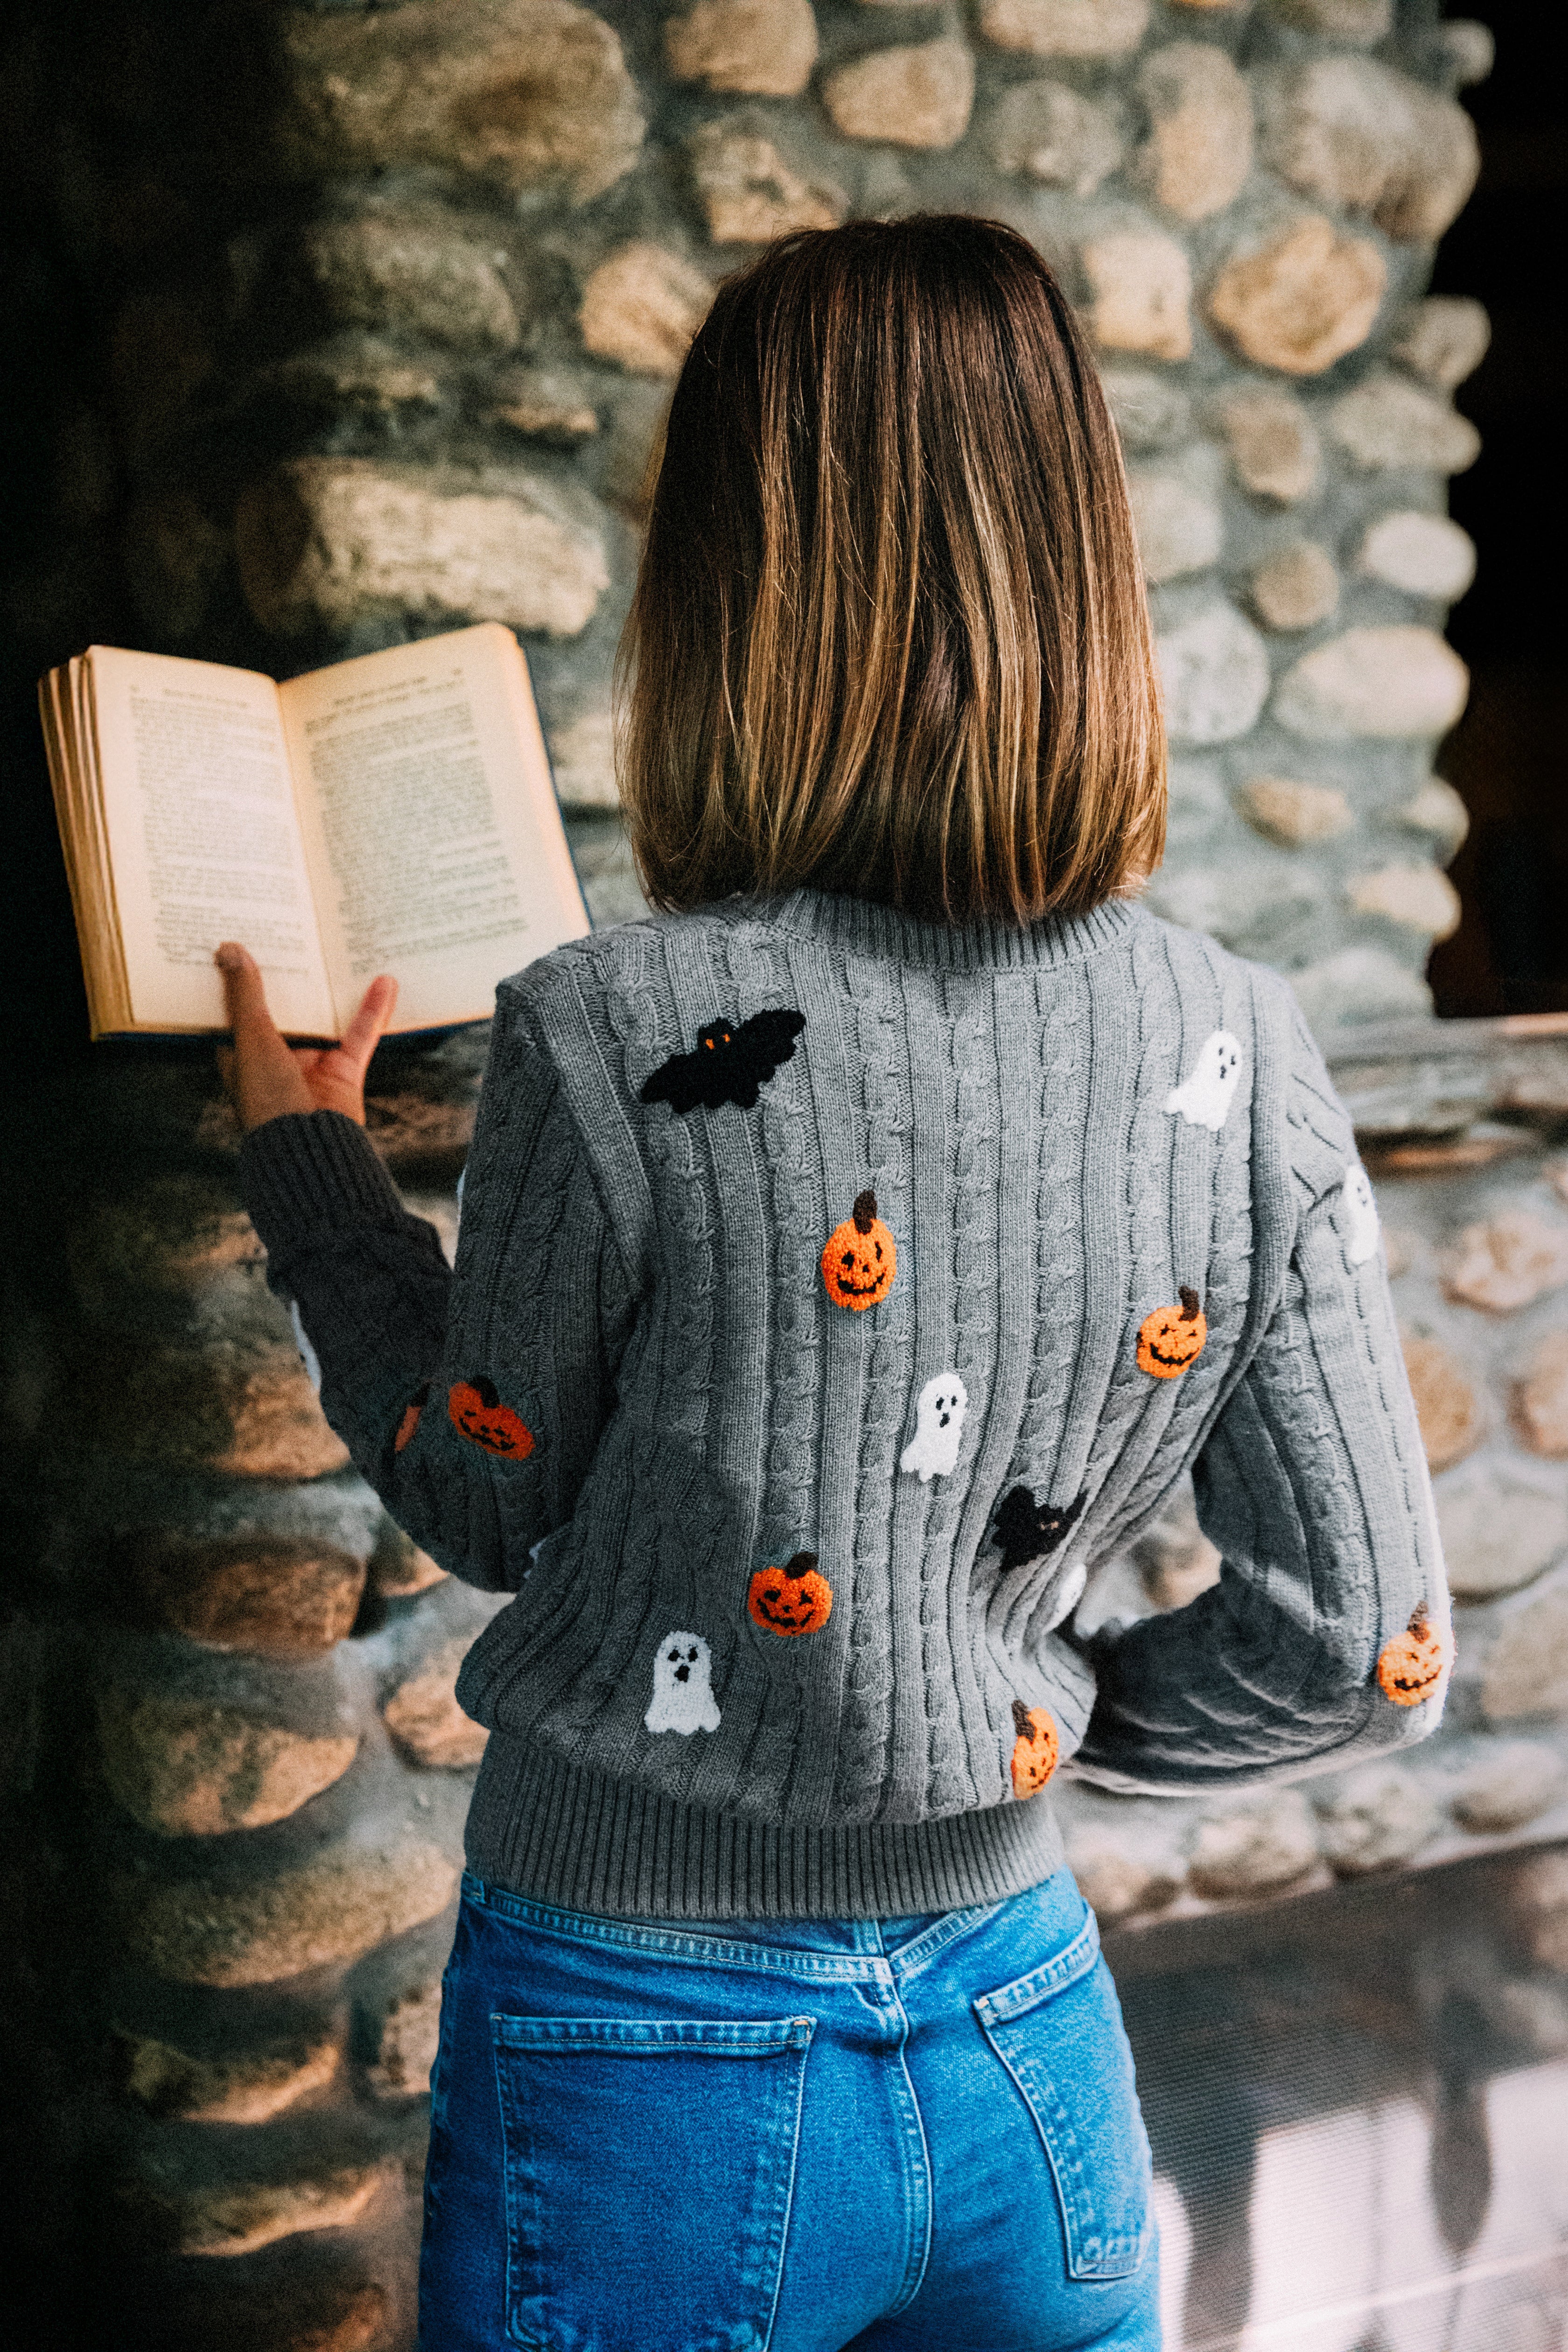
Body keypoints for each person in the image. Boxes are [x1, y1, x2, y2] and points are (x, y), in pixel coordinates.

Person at [217, 216, 1450, 2352]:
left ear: (729, 601)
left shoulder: (610, 1030)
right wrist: (1005, 1725)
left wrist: (313, 1168)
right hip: (1027, 2034)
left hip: (634, 2039)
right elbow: (1366, 1642)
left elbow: (483, 1493)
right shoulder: (1242, 1049)